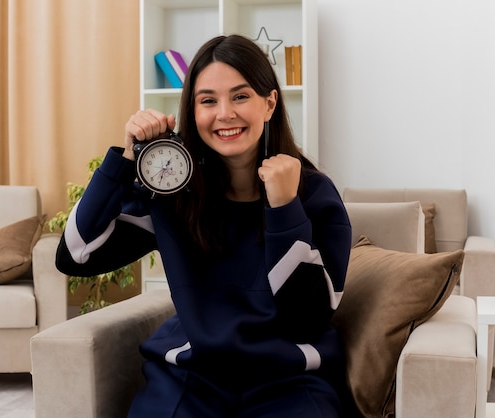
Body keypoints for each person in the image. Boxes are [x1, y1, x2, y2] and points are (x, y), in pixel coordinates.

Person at [55, 34, 353, 417]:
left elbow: (305, 319)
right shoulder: (172, 192)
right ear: (192, 112)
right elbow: (75, 256)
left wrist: (284, 209)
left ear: (270, 103)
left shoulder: (313, 194)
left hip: (289, 380)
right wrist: (125, 157)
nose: (224, 113)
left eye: (241, 96)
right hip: (191, 377)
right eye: (208, 100)